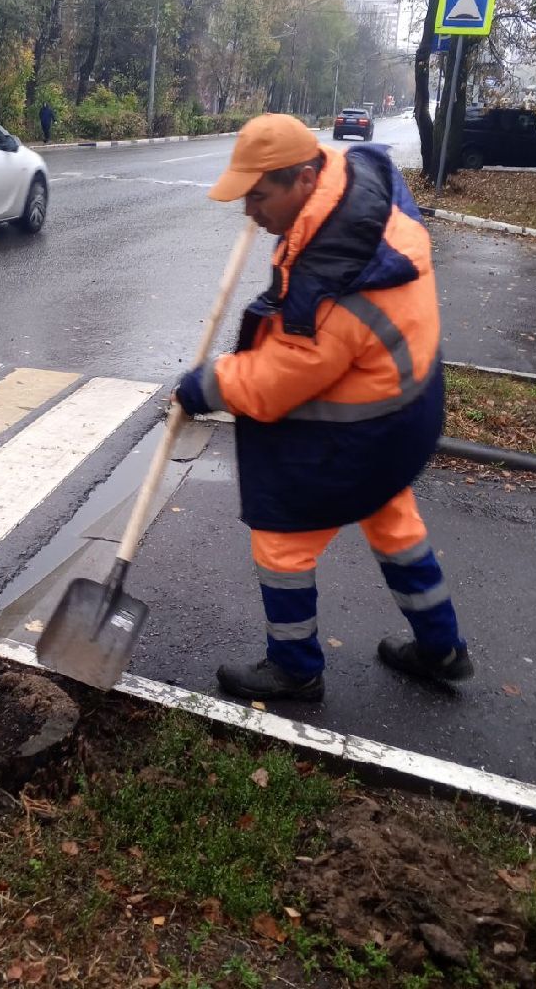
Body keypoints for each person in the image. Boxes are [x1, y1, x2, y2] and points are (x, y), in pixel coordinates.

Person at [174, 113, 472, 703]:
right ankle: (442, 649)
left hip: (364, 422)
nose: (249, 212)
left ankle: (295, 669)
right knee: (393, 520)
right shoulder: (353, 185)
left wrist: (204, 386)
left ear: (305, 178)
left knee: (283, 536)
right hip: (405, 403)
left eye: (259, 196)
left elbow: (275, 382)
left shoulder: (339, 277)